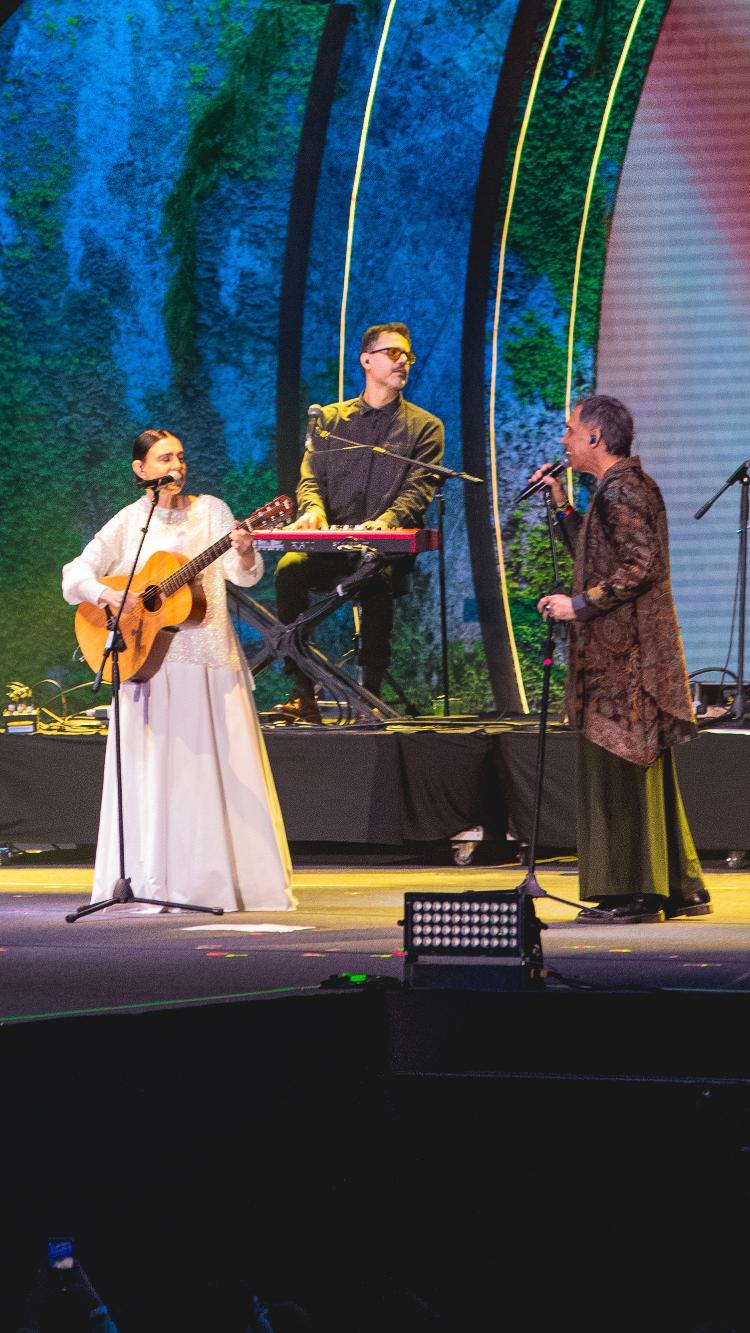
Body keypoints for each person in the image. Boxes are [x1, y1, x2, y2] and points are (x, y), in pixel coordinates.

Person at [62, 429, 294, 913]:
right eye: (165, 458)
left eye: (182, 457)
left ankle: (223, 886)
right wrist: (111, 597)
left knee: (215, 774)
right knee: (155, 779)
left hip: (209, 664)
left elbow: (244, 574)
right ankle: (151, 880)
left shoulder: (213, 510)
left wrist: (247, 548)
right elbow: (75, 574)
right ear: (141, 470)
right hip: (150, 666)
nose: (177, 465)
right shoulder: (130, 522)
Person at [530, 395, 710, 924]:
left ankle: (636, 891)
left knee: (622, 767)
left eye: (570, 431)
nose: (563, 440)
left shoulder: (624, 488)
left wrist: (579, 604)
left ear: (595, 438)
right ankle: (678, 887)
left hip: (624, 661)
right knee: (637, 768)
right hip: (618, 655)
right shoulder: (614, 489)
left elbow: (640, 566)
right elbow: (600, 555)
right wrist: (563, 505)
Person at [272, 321, 445, 723]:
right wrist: (312, 510)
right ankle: (302, 690)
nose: (403, 362)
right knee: (289, 569)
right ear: (366, 360)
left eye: (408, 356)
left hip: (382, 550)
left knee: (376, 576)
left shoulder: (425, 427)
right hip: (332, 547)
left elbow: (418, 491)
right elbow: (310, 479)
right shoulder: (331, 420)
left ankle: (370, 695)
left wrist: (384, 524)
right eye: (393, 353)